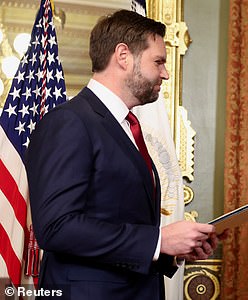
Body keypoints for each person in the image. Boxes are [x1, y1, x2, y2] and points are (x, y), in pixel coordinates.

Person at [25, 10, 219, 300]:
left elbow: (123, 222)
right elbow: (56, 227)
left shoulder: (127, 126)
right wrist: (158, 240)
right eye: (159, 61)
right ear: (123, 55)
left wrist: (169, 250)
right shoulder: (69, 122)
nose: (165, 73)